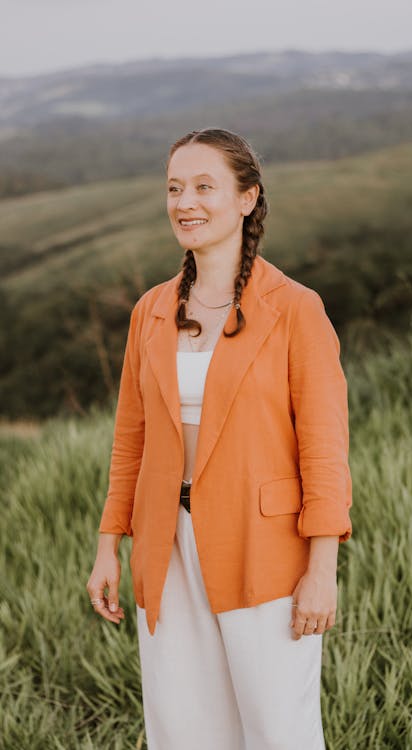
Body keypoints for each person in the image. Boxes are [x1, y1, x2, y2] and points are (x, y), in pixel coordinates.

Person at [86, 127, 353, 750]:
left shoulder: (295, 309)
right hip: (166, 547)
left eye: (206, 186)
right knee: (183, 729)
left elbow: (323, 450)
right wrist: (109, 546)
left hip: (264, 550)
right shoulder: (149, 311)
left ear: (246, 198)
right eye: (175, 188)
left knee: (276, 730)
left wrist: (322, 569)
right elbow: (131, 442)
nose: (186, 202)